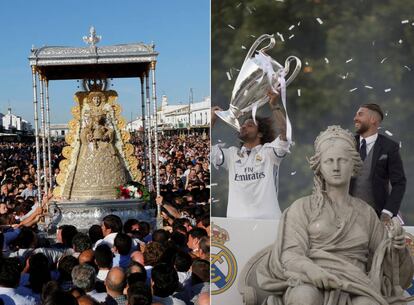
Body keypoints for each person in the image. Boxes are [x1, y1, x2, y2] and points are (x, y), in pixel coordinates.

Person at [251, 125, 412, 305]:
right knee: (304, 297)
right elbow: (290, 255)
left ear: (353, 166)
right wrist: (311, 270)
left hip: (357, 284)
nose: (336, 167)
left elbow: (385, 264)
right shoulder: (302, 208)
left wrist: (397, 248)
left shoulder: (366, 213)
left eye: (342, 160)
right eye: (329, 161)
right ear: (319, 167)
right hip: (310, 280)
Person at [211, 91, 289, 219]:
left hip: (268, 222)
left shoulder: (269, 152)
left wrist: (274, 105)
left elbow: (285, 133)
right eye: (243, 125)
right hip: (236, 224)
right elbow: (205, 150)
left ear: (260, 134)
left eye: (250, 125)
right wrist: (212, 121)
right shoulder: (231, 154)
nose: (243, 127)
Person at [350, 103, 406, 224]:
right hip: (347, 216)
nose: (355, 118)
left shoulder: (390, 147)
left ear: (373, 119)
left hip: (376, 217)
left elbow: (399, 182)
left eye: (360, 114)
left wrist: (388, 211)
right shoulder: (347, 143)